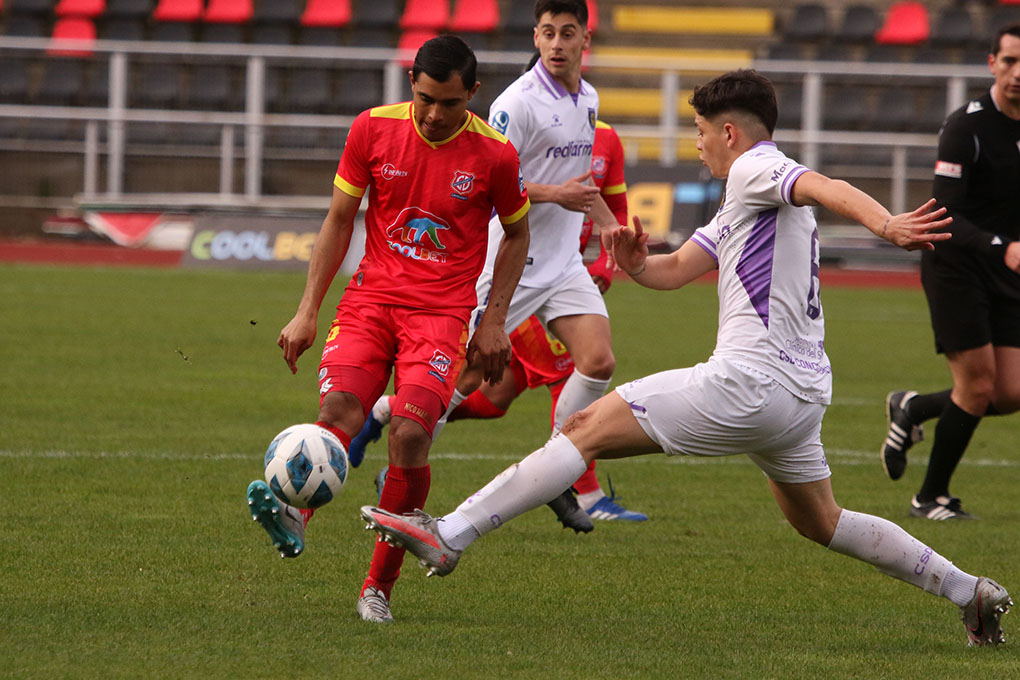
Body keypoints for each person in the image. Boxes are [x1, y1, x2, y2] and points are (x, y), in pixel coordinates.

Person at [360, 69, 1013, 646]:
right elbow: (674, 271)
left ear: (729, 132)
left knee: (581, 430)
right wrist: (636, 264)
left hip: (751, 383)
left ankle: (450, 535)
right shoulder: (744, 200)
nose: (695, 144)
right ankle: (970, 592)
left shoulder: (760, 167)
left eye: (700, 130)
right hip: (801, 395)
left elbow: (823, 183)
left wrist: (885, 223)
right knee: (822, 522)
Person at [244, 35, 531, 624]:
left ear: (473, 95)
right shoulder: (372, 129)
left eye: (448, 104)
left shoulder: (496, 155)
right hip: (371, 300)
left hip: (441, 316)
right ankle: (297, 514)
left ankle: (378, 587)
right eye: (424, 98)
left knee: (408, 435)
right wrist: (306, 309)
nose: (432, 114)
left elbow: (518, 233)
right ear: (412, 84)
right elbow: (339, 219)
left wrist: (494, 319)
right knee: (340, 411)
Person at [352, 1, 629, 531]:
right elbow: (489, 174)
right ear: (536, 35)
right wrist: (560, 195)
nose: (556, 43)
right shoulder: (516, 103)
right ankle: (394, 450)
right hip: (512, 260)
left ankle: (555, 470)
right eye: (547, 33)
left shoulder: (588, 99)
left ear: (584, 42)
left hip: (563, 261)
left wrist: (605, 222)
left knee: (598, 362)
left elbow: (578, 184)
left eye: (567, 34)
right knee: (467, 374)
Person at [879, 24, 1020, 520]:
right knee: (978, 387)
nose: (1018, 73)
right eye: (1009, 61)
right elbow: (945, 212)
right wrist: (1001, 246)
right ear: (992, 64)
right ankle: (930, 497)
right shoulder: (967, 127)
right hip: (955, 263)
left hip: (1004, 265)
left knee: (1009, 393)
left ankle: (913, 408)